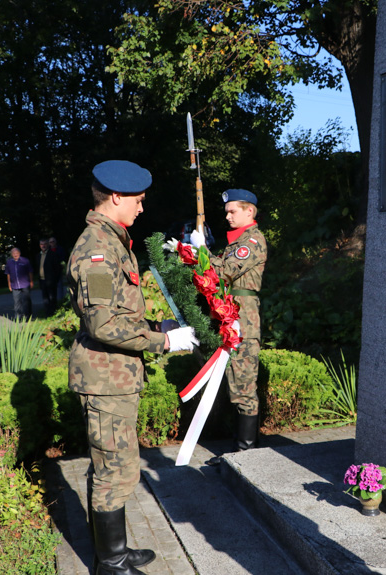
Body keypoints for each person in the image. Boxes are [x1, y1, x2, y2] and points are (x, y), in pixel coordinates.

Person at [68, 159, 199, 575]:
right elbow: (103, 324)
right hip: (105, 377)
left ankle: (116, 551)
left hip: (115, 375)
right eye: (138, 201)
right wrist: (163, 341)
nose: (142, 208)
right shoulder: (97, 249)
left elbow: (117, 312)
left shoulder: (112, 240)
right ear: (117, 197)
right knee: (114, 470)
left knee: (116, 466)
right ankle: (110, 564)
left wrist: (155, 325)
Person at [190, 189, 267, 465]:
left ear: (250, 211)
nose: (228, 215)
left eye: (233, 210)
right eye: (227, 211)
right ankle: (238, 452)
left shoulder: (252, 241)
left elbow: (223, 271)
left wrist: (201, 251)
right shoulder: (236, 242)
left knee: (244, 385)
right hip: (230, 318)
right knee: (233, 382)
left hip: (243, 320)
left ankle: (246, 455)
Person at [5, 247, 34, 320]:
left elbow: (30, 272)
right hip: (14, 285)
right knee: (17, 302)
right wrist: (9, 284)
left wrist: (31, 281)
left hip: (25, 284)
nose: (15, 255)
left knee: (26, 301)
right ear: (11, 254)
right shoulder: (9, 262)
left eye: (17, 253)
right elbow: (8, 274)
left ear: (19, 253)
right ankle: (18, 317)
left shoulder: (25, 261)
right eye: (14, 253)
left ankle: (28, 316)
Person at [36, 237, 60, 316]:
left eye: (45, 244)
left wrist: (55, 279)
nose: (43, 246)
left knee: (52, 297)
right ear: (39, 245)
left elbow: (57, 268)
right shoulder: (38, 255)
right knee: (45, 298)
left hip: (51, 280)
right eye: (41, 244)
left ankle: (53, 312)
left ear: (48, 245)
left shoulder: (52, 254)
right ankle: (47, 313)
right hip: (42, 280)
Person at [48, 236, 67, 302]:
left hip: (58, 271)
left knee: (60, 286)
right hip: (51, 272)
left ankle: (61, 300)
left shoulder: (60, 249)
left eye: (53, 241)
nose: (52, 243)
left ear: (55, 242)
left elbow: (63, 259)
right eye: (50, 242)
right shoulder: (48, 251)